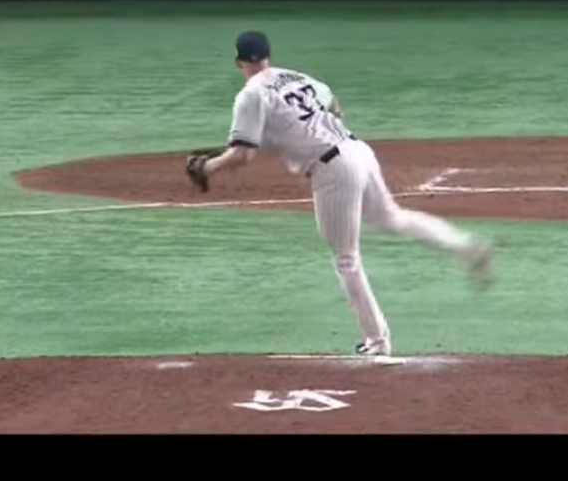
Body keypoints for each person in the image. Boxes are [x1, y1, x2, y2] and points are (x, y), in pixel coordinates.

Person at [184, 31, 494, 357]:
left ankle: (377, 341)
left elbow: (243, 155)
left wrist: (208, 168)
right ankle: (469, 248)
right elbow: (332, 102)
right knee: (394, 218)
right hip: (357, 150)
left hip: (333, 169)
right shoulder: (294, 77)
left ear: (238, 62)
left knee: (346, 259)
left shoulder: (250, 94)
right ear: (268, 56)